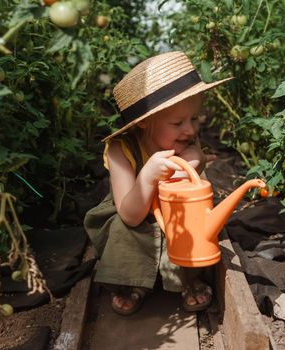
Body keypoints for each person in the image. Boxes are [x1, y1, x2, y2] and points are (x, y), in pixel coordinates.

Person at [84, 51, 231, 316]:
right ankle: (132, 281)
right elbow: (129, 214)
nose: (190, 130)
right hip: (134, 215)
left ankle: (187, 279)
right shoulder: (121, 149)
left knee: (190, 220)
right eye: (178, 123)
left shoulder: (186, 143)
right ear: (143, 123)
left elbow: (185, 193)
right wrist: (148, 176)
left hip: (170, 214)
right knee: (123, 230)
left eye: (194, 118)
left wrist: (195, 161)